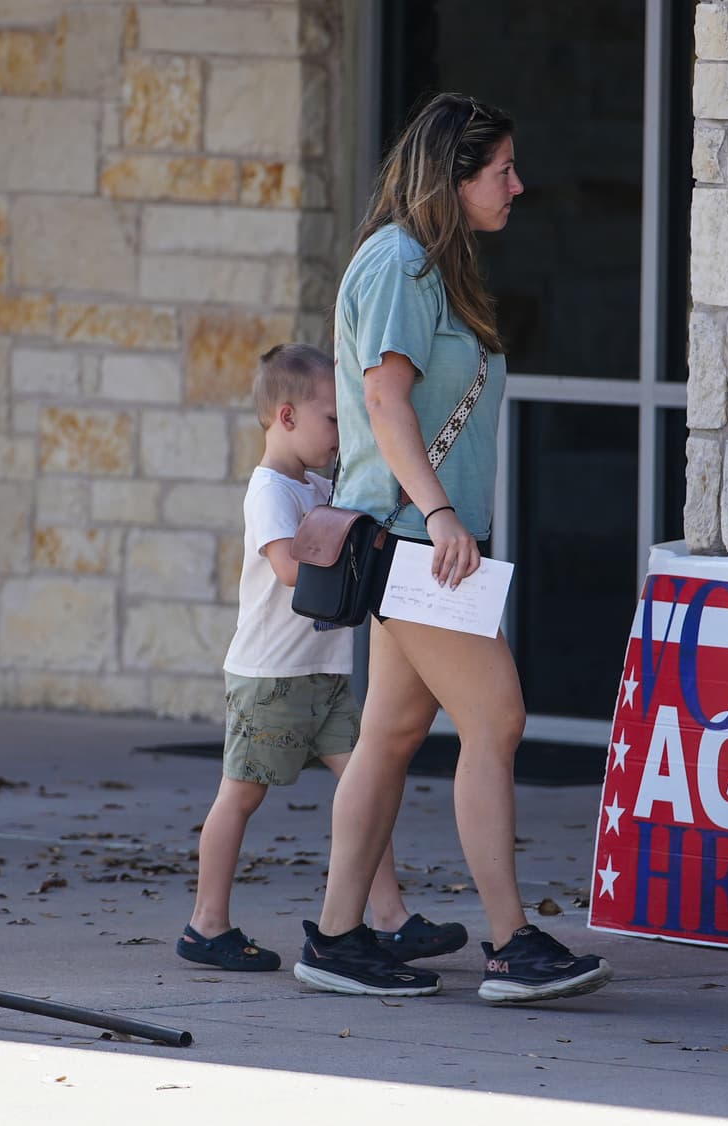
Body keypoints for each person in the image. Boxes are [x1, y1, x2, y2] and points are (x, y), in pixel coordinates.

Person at [290, 93, 614, 1003]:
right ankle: (511, 944)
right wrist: (439, 516)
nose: (519, 184)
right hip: (411, 542)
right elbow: (386, 405)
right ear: (454, 175)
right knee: (497, 717)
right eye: (502, 169)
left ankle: (338, 937)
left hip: (418, 543)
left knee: (391, 736)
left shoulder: (432, 264)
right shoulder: (398, 262)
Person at [178, 343, 467, 973]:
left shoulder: (315, 485)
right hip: (271, 678)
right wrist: (346, 532)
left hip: (327, 674)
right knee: (240, 797)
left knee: (370, 783)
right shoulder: (271, 492)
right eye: (332, 421)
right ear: (286, 418)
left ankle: (390, 919)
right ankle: (206, 924)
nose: (340, 436)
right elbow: (287, 568)